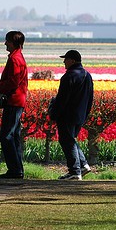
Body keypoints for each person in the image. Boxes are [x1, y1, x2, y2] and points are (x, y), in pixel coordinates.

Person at [0, 31, 28, 179]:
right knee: (14, 136)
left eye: (7, 41)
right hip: (17, 100)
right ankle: (17, 169)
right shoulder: (17, 57)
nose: (5, 43)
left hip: (14, 101)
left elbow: (13, 82)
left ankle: (15, 170)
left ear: (13, 42)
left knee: (7, 136)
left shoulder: (15, 59)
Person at [49, 49, 94, 180]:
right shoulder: (87, 75)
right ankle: (83, 165)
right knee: (71, 140)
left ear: (73, 60)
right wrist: (85, 114)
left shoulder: (69, 76)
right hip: (80, 114)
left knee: (67, 141)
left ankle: (75, 171)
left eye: (66, 59)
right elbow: (90, 98)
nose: (64, 62)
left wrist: (54, 113)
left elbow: (62, 99)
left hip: (67, 115)